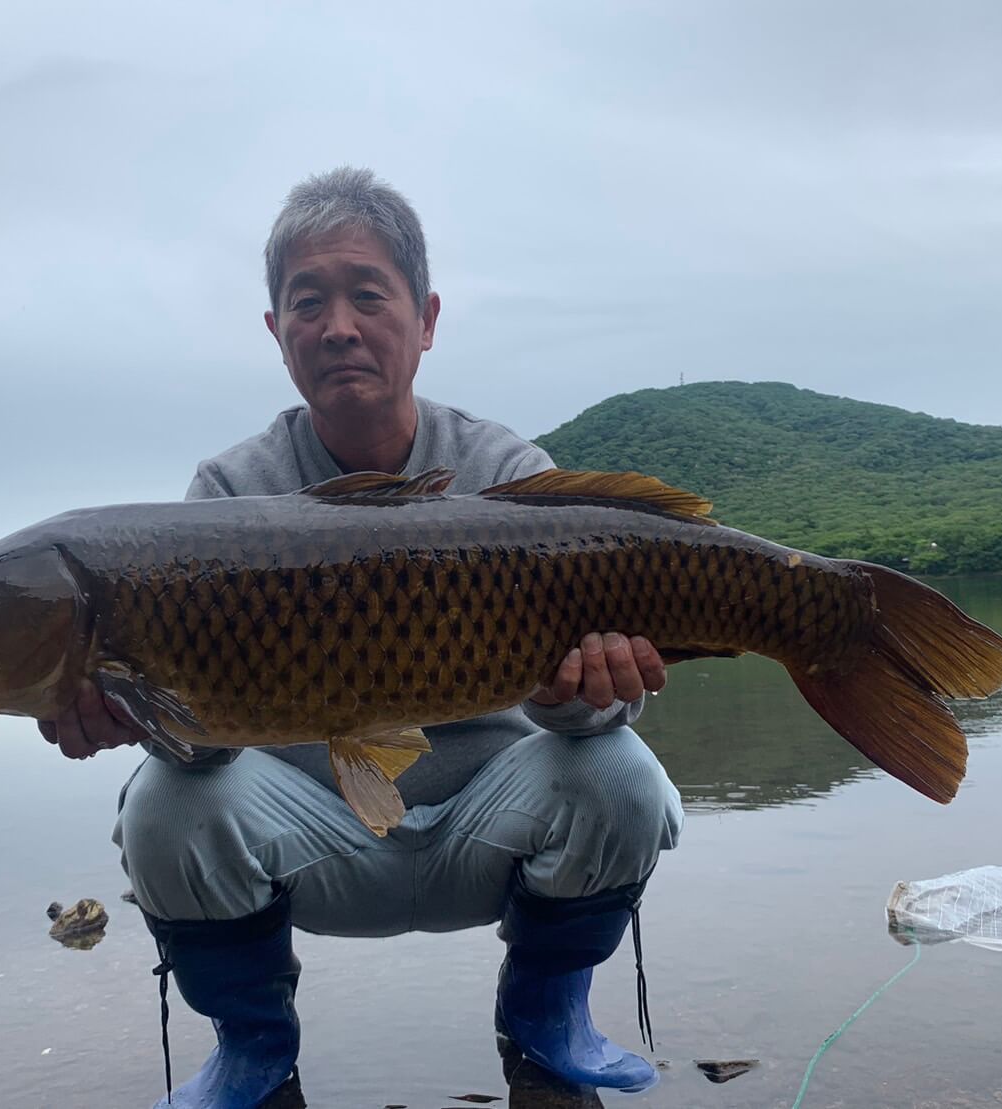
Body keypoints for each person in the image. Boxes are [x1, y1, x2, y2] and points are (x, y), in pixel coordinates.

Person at [38, 167, 685, 1109]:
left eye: (365, 295)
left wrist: (579, 697)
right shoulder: (227, 497)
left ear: (424, 319)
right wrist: (135, 712)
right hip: (315, 842)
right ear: (276, 332)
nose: (337, 324)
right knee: (161, 802)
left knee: (622, 770)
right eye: (308, 302)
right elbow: (206, 748)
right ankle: (254, 1048)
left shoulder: (508, 474)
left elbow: (607, 707)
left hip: (489, 834)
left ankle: (547, 1019)